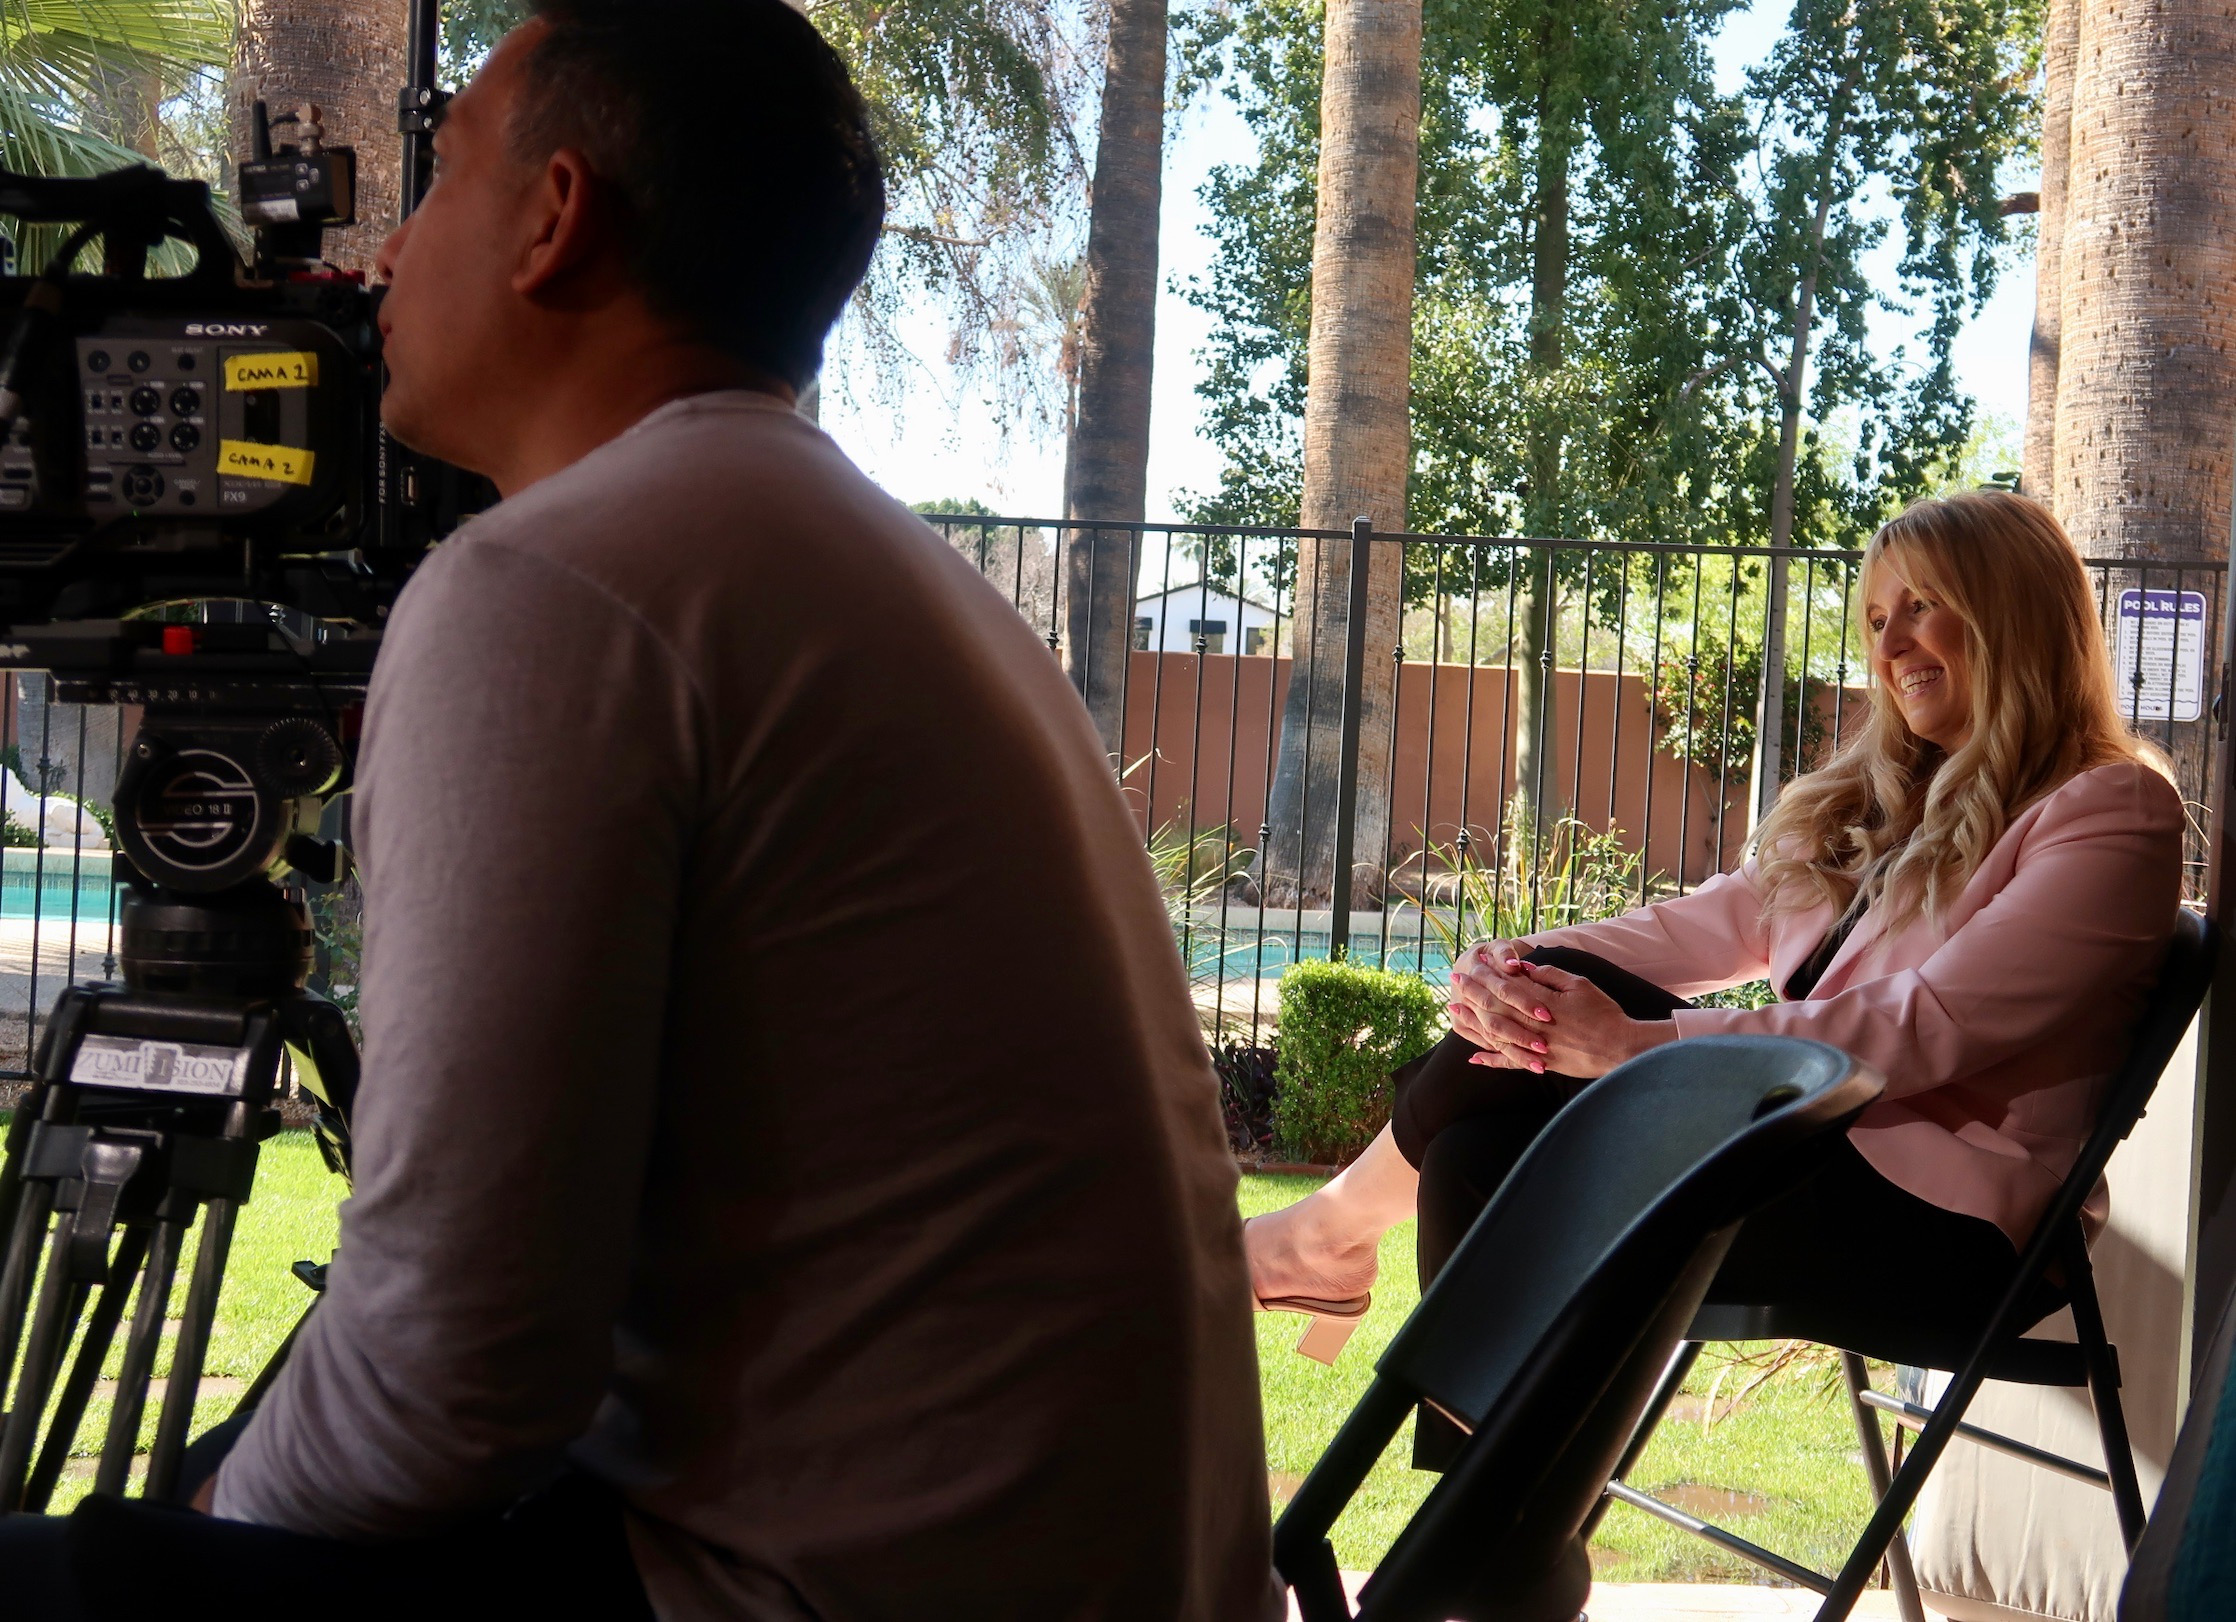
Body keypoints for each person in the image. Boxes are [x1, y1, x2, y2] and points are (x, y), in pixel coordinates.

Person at [0, 5, 1281, 1619]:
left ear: (554, 216)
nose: (386, 255)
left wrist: (197, 1528)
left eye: (442, 175)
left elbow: (452, 1368)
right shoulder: (862, 560)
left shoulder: (559, 586)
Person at [1248, 490, 2186, 1427]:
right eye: (1876, 617)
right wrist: (1517, 960)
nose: (1890, 644)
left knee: (1560, 1074)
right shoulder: (1879, 800)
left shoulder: (2109, 812)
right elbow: (1697, 926)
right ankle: (1492, 1550)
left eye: (1922, 605)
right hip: (1805, 1164)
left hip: (1950, 1231)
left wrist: (1634, 1046)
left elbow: (1927, 1026)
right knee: (1476, 1157)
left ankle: (1330, 1237)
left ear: (2012, 614)